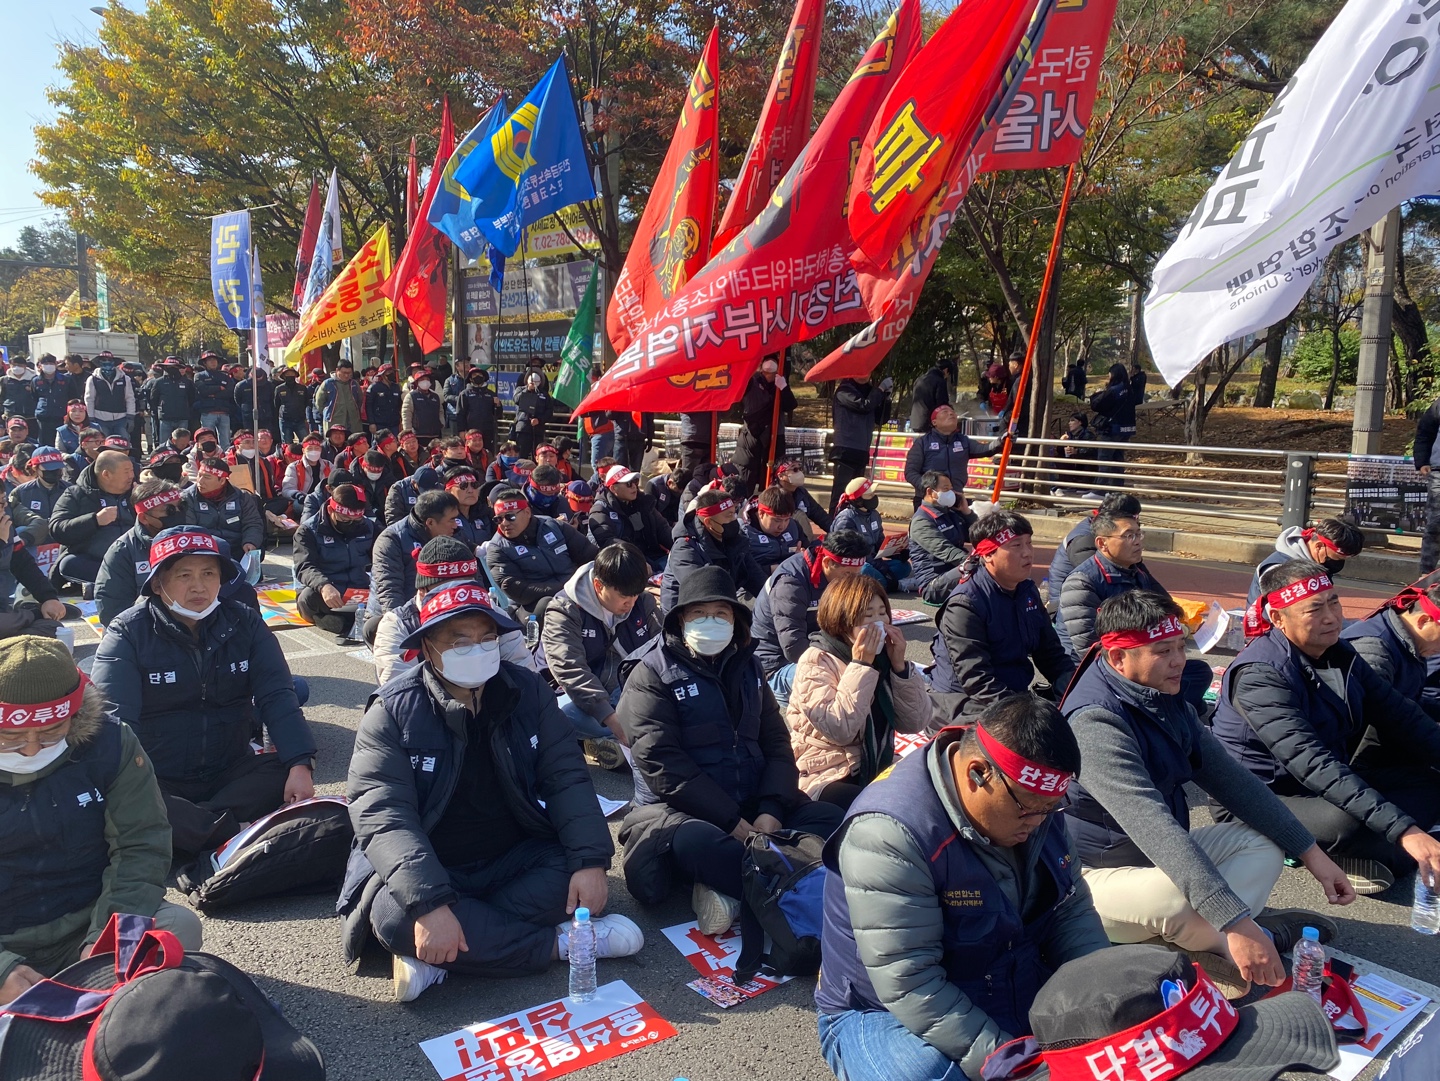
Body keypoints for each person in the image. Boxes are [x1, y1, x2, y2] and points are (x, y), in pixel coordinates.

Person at [340, 580, 642, 1002]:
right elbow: (385, 815)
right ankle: (561, 944)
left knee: (574, 878)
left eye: (487, 639)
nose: (478, 650)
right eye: (460, 641)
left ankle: (445, 957)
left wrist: (591, 860)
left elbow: (566, 776)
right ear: (427, 647)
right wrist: (430, 904)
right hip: (435, 861)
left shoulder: (526, 690)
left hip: (512, 855)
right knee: (393, 917)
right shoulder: (393, 710)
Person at [1062, 590, 1353, 995]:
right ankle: (1248, 938)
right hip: (1090, 876)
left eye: (1181, 646)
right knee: (1176, 900)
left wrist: (1311, 853)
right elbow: (1154, 827)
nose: (1179, 660)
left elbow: (1234, 782)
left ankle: (1201, 942)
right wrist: (1235, 920)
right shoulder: (1095, 722)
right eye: (1163, 651)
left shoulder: (1159, 694)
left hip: (1154, 862)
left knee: (1267, 844)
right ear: (1118, 658)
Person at [815, 695, 1110, 1081]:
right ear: (977, 773)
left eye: (1051, 807)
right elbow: (911, 981)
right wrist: (1015, 1065)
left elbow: (1070, 911)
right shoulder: (890, 833)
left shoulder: (1033, 796)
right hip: (889, 1009)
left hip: (1004, 975)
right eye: (1029, 809)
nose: (1040, 822)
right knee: (926, 1074)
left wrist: (1108, 998)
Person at [616, 565, 845, 929]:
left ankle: (733, 889)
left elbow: (776, 742)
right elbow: (661, 764)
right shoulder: (651, 674)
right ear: (681, 620)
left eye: (720, 613)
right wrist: (731, 822)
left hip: (753, 803)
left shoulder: (749, 667)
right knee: (699, 843)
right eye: (699, 613)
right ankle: (788, 885)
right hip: (685, 812)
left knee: (833, 819)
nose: (710, 622)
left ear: (735, 620)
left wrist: (771, 808)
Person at [1213, 559, 1440, 896]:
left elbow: (1401, 715)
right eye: (1314, 609)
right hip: (1258, 797)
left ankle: (1385, 853)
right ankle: (1368, 851)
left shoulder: (1340, 652)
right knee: (1347, 822)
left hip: (1318, 783)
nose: (1332, 617)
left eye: (1334, 602)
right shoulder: (1260, 675)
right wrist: (1405, 830)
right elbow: (1314, 764)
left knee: (1430, 781)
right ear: (1278, 618)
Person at [0, 636, 204, 1006]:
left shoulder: (111, 743)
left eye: (50, 732)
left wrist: (107, 939)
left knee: (180, 927)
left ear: (74, 716)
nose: (30, 749)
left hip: (88, 921)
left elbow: (141, 842)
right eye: (11, 737)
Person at [92, 527, 316, 858]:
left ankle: (191, 831)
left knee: (287, 769)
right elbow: (116, 721)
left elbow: (278, 695)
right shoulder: (127, 631)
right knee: (120, 795)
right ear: (158, 583)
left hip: (228, 770)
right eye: (184, 575)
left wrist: (300, 764)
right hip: (157, 776)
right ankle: (233, 833)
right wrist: (132, 785)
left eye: (209, 574)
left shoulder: (245, 622)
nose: (199, 586)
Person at [787, 574, 933, 811]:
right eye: (868, 615)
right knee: (880, 806)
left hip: (877, 760)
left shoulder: (885, 657)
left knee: (929, 794)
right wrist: (862, 665)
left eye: (882, 613)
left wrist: (900, 667)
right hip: (827, 770)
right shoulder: (817, 660)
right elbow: (840, 730)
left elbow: (914, 722)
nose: (879, 622)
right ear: (843, 619)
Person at [929, 510, 1075, 727]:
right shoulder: (965, 603)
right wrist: (1023, 715)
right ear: (988, 554)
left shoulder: (1027, 590)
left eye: (1029, 543)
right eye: (1016, 545)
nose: (1027, 553)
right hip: (964, 701)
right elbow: (976, 679)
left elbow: (1050, 653)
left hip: (1011, 695)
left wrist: (1075, 687)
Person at [543, 542, 660, 769]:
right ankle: (617, 739)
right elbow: (570, 668)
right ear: (598, 585)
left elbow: (662, 648)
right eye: (624, 596)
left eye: (636, 595)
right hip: (587, 697)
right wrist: (611, 719)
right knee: (563, 718)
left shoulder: (642, 601)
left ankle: (609, 744)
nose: (631, 603)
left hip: (633, 688)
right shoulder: (565, 610)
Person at [372, 536, 533, 686]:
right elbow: (401, 692)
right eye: (445, 595)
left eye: (465, 591)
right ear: (422, 591)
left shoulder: (495, 615)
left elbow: (525, 676)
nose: (458, 602)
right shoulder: (398, 625)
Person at [752, 530, 869, 705]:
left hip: (819, 647)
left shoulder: (837, 578)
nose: (853, 581)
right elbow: (793, 647)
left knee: (869, 671)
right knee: (841, 680)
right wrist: (837, 663)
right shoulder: (790, 583)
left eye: (858, 573)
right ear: (827, 563)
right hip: (778, 666)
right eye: (848, 575)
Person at [485, 487, 598, 622]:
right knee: (551, 604)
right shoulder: (497, 548)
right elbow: (519, 591)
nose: (504, 523)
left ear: (527, 512)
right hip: (532, 607)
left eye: (510, 517)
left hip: (575, 590)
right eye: (498, 519)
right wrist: (566, 588)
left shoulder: (553, 526)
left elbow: (589, 554)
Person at [370, 489, 462, 640]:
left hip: (436, 612)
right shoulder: (391, 539)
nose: (455, 525)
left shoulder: (453, 534)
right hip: (398, 616)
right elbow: (390, 589)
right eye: (451, 520)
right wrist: (399, 626)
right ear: (430, 522)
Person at [94, 480, 186, 627]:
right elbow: (111, 611)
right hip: (144, 630)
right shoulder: (122, 551)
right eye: (169, 510)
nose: (178, 514)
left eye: (181, 507)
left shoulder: (198, 542)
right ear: (144, 518)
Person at [661, 487, 767, 612]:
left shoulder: (734, 540)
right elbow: (702, 590)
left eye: (734, 513)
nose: (734, 520)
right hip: (684, 611)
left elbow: (756, 578)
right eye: (729, 516)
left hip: (721, 603)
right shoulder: (685, 548)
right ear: (709, 523)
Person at [1341, 584, 1440, 718]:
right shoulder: (1374, 650)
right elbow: (1379, 713)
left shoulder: (1412, 643)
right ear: (1424, 621)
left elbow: (1407, 702)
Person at [293, 484, 376, 636]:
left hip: (360, 589)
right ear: (331, 510)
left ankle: (340, 622)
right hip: (328, 588)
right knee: (307, 598)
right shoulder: (307, 531)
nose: (351, 524)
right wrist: (324, 586)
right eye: (345, 519)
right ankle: (335, 620)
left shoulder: (369, 527)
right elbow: (305, 566)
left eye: (356, 520)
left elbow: (384, 558)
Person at [49, 448, 135, 588]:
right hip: (97, 562)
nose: (131, 476)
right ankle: (118, 584)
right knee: (69, 564)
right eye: (126, 472)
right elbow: (57, 528)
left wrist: (143, 502)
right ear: (106, 474)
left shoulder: (136, 492)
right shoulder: (76, 494)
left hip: (134, 559)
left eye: (132, 470)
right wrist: (94, 520)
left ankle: (111, 585)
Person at [1046, 492, 1141, 610]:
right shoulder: (1084, 542)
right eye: (1134, 518)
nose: (1137, 541)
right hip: (1067, 608)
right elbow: (1099, 582)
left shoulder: (1125, 547)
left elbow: (1148, 582)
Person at [903, 404, 1004, 509]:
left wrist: (1001, 442)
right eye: (945, 412)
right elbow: (910, 472)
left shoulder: (963, 440)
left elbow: (985, 449)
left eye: (952, 412)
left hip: (955, 499)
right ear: (934, 422)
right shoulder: (923, 443)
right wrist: (929, 488)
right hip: (928, 499)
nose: (951, 413)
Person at [1246, 517, 1365, 604]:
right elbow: (1279, 615)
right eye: (1337, 558)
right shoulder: (1279, 568)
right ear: (1319, 546)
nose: (1336, 563)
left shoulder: (1316, 563)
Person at [907, 471, 977, 603]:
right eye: (945, 489)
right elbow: (947, 551)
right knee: (979, 571)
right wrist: (976, 562)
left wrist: (967, 512)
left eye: (951, 489)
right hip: (934, 584)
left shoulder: (950, 513)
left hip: (954, 571)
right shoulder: (921, 521)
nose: (951, 493)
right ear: (930, 492)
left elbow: (979, 535)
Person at [588, 464, 670, 573]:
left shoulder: (643, 503)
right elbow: (608, 542)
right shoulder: (600, 510)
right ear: (613, 488)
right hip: (624, 564)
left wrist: (679, 546)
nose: (634, 486)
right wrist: (638, 561)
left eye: (635, 482)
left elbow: (663, 529)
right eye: (628, 483)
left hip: (653, 557)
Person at [733, 357, 796, 497]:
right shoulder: (752, 381)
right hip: (752, 434)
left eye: (771, 373)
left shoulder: (780, 384)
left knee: (773, 474)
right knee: (747, 473)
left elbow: (790, 405)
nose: (768, 376)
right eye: (766, 372)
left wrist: (784, 388)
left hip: (774, 433)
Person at [829, 375, 892, 510]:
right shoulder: (844, 391)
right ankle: (834, 521)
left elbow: (881, 419)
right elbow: (864, 405)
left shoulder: (871, 392)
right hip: (845, 450)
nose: (863, 376)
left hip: (862, 450)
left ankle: (853, 520)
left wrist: (886, 398)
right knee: (841, 493)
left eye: (866, 372)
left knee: (857, 495)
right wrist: (880, 389)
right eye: (859, 373)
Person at [181, 456, 263, 556]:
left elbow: (252, 523)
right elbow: (189, 529)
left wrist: (250, 542)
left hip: (236, 546)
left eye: (207, 477)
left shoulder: (242, 497)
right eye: (199, 475)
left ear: (222, 481)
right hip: (204, 549)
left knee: (256, 552)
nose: (200, 481)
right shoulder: (187, 498)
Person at [8, 445, 69, 547]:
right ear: (35, 468)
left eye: (57, 468)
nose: (54, 472)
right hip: (33, 544)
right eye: (49, 469)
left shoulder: (71, 490)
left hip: (65, 544)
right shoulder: (21, 492)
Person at [739, 485, 805, 572]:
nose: (782, 526)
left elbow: (809, 552)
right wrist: (770, 569)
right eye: (777, 520)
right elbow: (739, 570)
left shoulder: (794, 526)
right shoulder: (742, 532)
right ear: (761, 513)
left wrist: (802, 557)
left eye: (787, 520)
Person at [1090, 363, 1137, 483]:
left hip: (1112, 429)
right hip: (1126, 430)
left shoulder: (1114, 390)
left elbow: (1097, 405)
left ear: (1113, 375)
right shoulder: (1129, 389)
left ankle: (1100, 489)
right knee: (1118, 459)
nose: (1108, 377)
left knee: (1104, 459)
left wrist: (1097, 394)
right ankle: (1117, 488)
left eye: (1109, 374)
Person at [84, 353, 136, 442]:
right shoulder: (92, 379)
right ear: (99, 362)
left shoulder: (124, 378)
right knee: (103, 444)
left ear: (114, 362)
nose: (107, 362)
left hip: (121, 418)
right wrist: (91, 418)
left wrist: (130, 417)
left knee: (123, 443)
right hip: (100, 418)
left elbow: (130, 398)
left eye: (109, 360)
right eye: (104, 360)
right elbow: (89, 399)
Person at [830, 477, 886, 557]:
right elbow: (850, 553)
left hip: (874, 559)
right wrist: (877, 564)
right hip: (858, 562)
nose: (874, 496)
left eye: (874, 493)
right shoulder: (846, 520)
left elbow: (880, 542)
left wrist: (897, 552)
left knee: (902, 563)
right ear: (858, 500)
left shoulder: (874, 515)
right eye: (870, 495)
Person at [281, 433, 332, 520]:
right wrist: (297, 494)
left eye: (317, 448)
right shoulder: (294, 467)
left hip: (325, 500)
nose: (314, 451)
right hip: (303, 501)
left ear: (321, 450)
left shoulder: (329, 465)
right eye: (310, 448)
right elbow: (287, 490)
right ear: (303, 450)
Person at [775, 458, 832, 535]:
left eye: (800, 469)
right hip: (782, 537)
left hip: (802, 538)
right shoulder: (774, 495)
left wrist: (838, 531)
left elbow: (820, 516)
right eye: (795, 469)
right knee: (800, 516)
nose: (799, 473)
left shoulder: (801, 493)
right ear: (781, 476)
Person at [191, 352, 236, 447]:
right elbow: (203, 391)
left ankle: (225, 456)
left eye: (214, 360)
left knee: (225, 442)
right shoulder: (199, 376)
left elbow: (229, 392)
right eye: (210, 360)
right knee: (206, 440)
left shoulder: (225, 376)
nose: (213, 362)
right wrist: (219, 388)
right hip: (207, 412)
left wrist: (212, 393)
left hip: (224, 412)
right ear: (204, 363)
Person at [458, 368, 502, 455]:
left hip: (488, 431)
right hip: (471, 430)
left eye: (480, 375)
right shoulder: (465, 394)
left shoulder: (491, 394)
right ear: (470, 379)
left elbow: (498, 414)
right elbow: (460, 413)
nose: (477, 377)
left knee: (488, 453)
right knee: (471, 452)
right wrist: (461, 430)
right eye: (474, 375)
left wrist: (498, 405)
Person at [1051, 412, 1097, 496]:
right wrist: (1061, 443)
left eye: (1072, 421)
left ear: (1080, 422)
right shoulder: (1069, 435)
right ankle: (1066, 483)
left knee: (1088, 460)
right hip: (1073, 461)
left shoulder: (1087, 435)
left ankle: (1085, 484)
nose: (1069, 423)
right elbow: (1060, 451)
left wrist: (1077, 451)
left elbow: (1092, 450)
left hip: (1083, 462)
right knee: (1060, 459)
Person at [512, 372, 553, 459]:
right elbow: (516, 399)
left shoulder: (544, 394)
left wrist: (539, 420)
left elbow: (549, 412)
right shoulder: (520, 390)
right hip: (523, 428)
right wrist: (527, 390)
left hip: (538, 429)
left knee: (538, 455)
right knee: (521, 455)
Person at [907, 359, 954, 434]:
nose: (947, 376)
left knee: (918, 441)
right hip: (929, 424)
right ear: (946, 370)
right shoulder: (939, 381)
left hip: (915, 422)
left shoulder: (919, 379)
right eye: (948, 374)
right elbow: (942, 405)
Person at [316, 359, 363, 433]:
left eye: (349, 373)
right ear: (337, 370)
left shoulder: (354, 384)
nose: (346, 375)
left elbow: (360, 400)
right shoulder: (328, 384)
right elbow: (319, 403)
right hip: (333, 421)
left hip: (353, 422)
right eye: (344, 373)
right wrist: (328, 412)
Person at [31, 354, 69, 444]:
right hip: (43, 417)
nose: (49, 366)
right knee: (44, 443)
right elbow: (34, 397)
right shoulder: (36, 380)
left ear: (55, 364)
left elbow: (72, 396)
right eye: (46, 363)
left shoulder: (66, 379)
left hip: (61, 416)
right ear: (40, 365)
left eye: (51, 363)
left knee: (61, 442)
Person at [401, 368, 444, 447]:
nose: (425, 381)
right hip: (418, 434)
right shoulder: (411, 396)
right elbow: (406, 415)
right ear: (417, 382)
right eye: (422, 379)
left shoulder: (435, 396)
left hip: (435, 434)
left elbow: (440, 411)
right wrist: (408, 432)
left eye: (427, 379)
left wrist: (441, 423)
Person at [272, 365, 312, 444]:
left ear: (295, 375)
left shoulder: (302, 388)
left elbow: (307, 402)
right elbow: (276, 405)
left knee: (306, 441)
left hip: (300, 420)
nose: (290, 376)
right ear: (284, 376)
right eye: (287, 374)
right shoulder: (279, 389)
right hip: (285, 420)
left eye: (292, 374)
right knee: (287, 443)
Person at [234, 364, 274, 437]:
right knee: (250, 435)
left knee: (265, 435)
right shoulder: (241, 386)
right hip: (248, 415)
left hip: (265, 415)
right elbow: (238, 400)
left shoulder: (269, 385)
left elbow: (272, 399)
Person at [677, 410, 715, 481]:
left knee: (687, 477)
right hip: (708, 438)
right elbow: (725, 412)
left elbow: (682, 408)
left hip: (693, 437)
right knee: (704, 478)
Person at [365, 364, 402, 436]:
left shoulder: (397, 387)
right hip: (379, 424)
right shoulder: (374, 387)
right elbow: (368, 406)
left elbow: (399, 405)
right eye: (388, 372)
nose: (391, 374)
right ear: (382, 375)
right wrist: (371, 423)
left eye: (392, 371)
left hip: (394, 424)